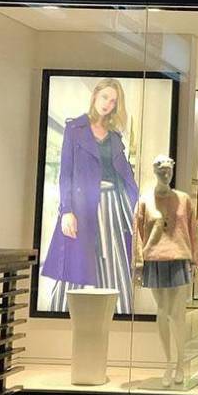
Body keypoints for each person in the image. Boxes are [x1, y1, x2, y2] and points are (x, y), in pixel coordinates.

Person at [41, 78, 139, 314]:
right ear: (95, 95)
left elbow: (125, 175)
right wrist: (66, 210)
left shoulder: (115, 137)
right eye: (105, 97)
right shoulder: (75, 128)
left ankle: (119, 315)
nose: (108, 104)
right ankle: (59, 315)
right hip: (82, 206)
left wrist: (134, 203)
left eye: (113, 101)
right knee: (74, 266)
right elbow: (65, 174)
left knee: (115, 265)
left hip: (113, 206)